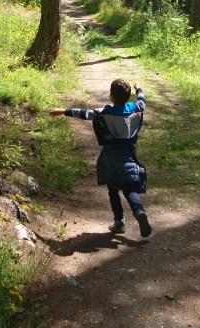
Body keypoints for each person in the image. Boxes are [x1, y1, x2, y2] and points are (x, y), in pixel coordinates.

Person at [50, 79, 152, 238]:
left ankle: (119, 222)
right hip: (129, 154)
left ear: (111, 96)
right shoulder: (136, 108)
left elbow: (84, 113)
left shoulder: (105, 112)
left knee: (113, 188)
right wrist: (139, 88)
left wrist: (64, 111)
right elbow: (142, 100)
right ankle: (139, 211)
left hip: (110, 156)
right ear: (127, 97)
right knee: (129, 188)